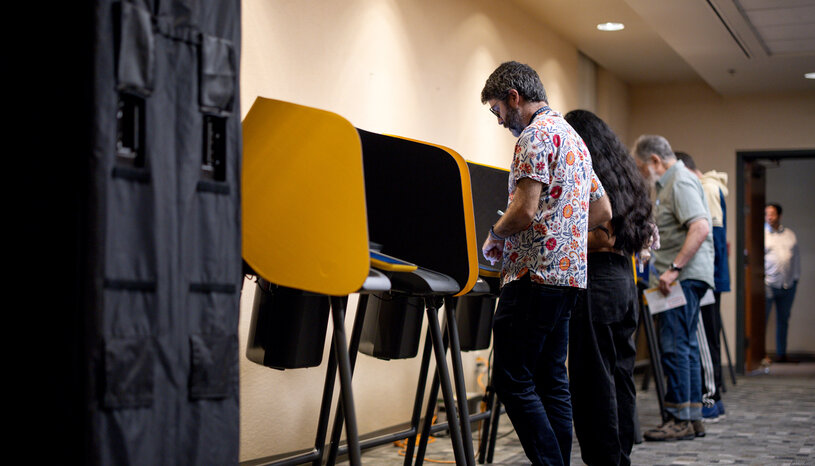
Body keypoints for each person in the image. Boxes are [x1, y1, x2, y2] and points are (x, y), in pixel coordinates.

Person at [480, 61, 611, 465]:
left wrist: (495, 234)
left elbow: (524, 210)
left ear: (514, 98)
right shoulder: (574, 140)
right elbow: (603, 210)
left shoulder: (534, 136)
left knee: (511, 378)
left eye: (497, 110)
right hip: (570, 277)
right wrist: (564, 227)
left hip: (533, 275)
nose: (499, 120)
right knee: (552, 379)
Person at [564, 110, 653, 465]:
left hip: (597, 280)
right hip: (622, 281)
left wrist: (555, 236)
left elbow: (603, 237)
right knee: (619, 376)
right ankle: (619, 457)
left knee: (592, 383)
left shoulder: (591, 174)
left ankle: (606, 460)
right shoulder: (626, 175)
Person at [633, 135, 714, 441]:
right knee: (685, 345)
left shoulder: (678, 181)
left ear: (655, 160)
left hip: (680, 278)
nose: (642, 174)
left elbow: (701, 226)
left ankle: (679, 418)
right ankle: (691, 416)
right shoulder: (672, 182)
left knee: (675, 345)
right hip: (683, 277)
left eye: (642, 167)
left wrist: (674, 269)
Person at [675, 151, 730, 422]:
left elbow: (713, 237)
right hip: (709, 275)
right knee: (706, 336)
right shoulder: (709, 186)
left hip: (706, 275)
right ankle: (711, 396)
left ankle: (711, 397)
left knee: (706, 338)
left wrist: (707, 278)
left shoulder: (706, 188)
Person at [764, 203, 800, 363]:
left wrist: (795, 279)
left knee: (783, 320)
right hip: (768, 283)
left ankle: (781, 353)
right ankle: (759, 354)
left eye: (772, 214)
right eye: (767, 214)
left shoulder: (790, 235)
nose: (769, 217)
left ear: (779, 215)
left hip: (788, 284)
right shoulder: (761, 234)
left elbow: (796, 259)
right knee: (762, 319)